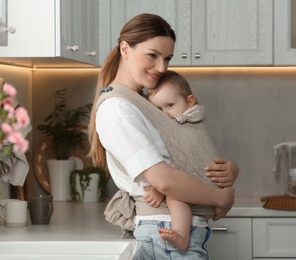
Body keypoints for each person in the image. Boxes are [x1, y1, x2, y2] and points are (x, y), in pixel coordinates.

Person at [88, 13, 238, 259]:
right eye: (152, 55)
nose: (162, 67)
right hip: (166, 230)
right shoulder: (116, 108)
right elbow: (164, 180)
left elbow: (182, 151)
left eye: (167, 58)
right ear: (125, 49)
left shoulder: (146, 101)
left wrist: (229, 171)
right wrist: (222, 197)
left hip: (177, 231)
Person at [147, 70, 223, 250]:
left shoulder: (184, 123)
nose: (165, 114)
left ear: (189, 102)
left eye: (170, 105)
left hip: (200, 182)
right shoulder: (193, 116)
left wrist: (160, 187)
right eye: (158, 110)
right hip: (208, 187)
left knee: (174, 194)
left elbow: (181, 161)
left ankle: (181, 235)